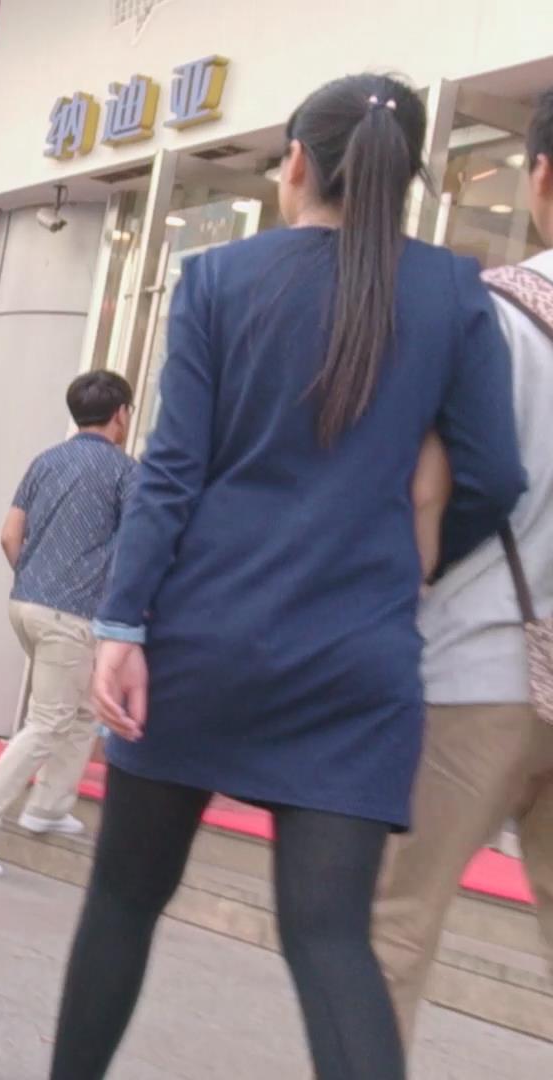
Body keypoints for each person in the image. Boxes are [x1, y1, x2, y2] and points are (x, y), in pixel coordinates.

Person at [54, 75, 525, 1080]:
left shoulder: (221, 281)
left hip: (199, 640)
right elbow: (493, 474)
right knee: (330, 940)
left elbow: (172, 471)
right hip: (356, 657)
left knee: (125, 900)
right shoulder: (452, 291)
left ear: (298, 163)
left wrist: (123, 624)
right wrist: (413, 564)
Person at [373, 87, 553, 1053]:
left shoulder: (492, 313)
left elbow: (431, 489)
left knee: (394, 928)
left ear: (540, 179)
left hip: (473, 669)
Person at [0, 372, 137, 877]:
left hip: (27, 603)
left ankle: (48, 806)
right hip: (71, 614)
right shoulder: (125, 472)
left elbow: (9, 535)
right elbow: (136, 549)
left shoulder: (45, 460)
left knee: (80, 708)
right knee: (50, 720)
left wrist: (34, 580)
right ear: (120, 414)